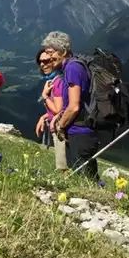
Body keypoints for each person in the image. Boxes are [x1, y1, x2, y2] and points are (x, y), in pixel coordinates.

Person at [44, 31, 100, 182]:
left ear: (63, 51)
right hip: (79, 131)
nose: (48, 57)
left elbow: (74, 106)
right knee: (83, 178)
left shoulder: (72, 68)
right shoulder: (71, 67)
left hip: (80, 132)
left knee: (84, 180)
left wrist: (60, 126)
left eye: (51, 52)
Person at [34, 49, 67, 172]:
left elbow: (57, 109)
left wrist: (45, 96)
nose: (42, 65)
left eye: (46, 61)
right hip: (61, 127)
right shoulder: (60, 78)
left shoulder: (57, 82)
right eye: (40, 62)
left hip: (60, 129)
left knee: (62, 168)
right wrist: (44, 117)